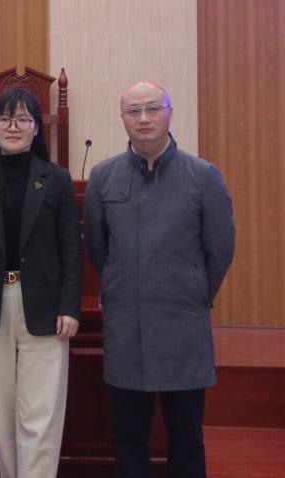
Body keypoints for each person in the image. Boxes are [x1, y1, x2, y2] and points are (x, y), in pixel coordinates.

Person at [84, 81, 236, 478]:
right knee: (128, 435)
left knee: (186, 436)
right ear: (122, 118)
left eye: (153, 108)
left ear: (170, 113)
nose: (144, 119)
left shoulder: (202, 176)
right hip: (126, 325)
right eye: (133, 111)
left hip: (182, 324)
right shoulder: (103, 177)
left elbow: (219, 249)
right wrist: (121, 286)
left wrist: (194, 291)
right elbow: (99, 249)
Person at [0, 88, 82, 478]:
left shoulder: (56, 180)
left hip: (45, 305)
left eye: (23, 119)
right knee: (2, 412)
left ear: (36, 128)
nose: (14, 127)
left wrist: (70, 306)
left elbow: (71, 249)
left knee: (41, 413)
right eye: (5, 119)